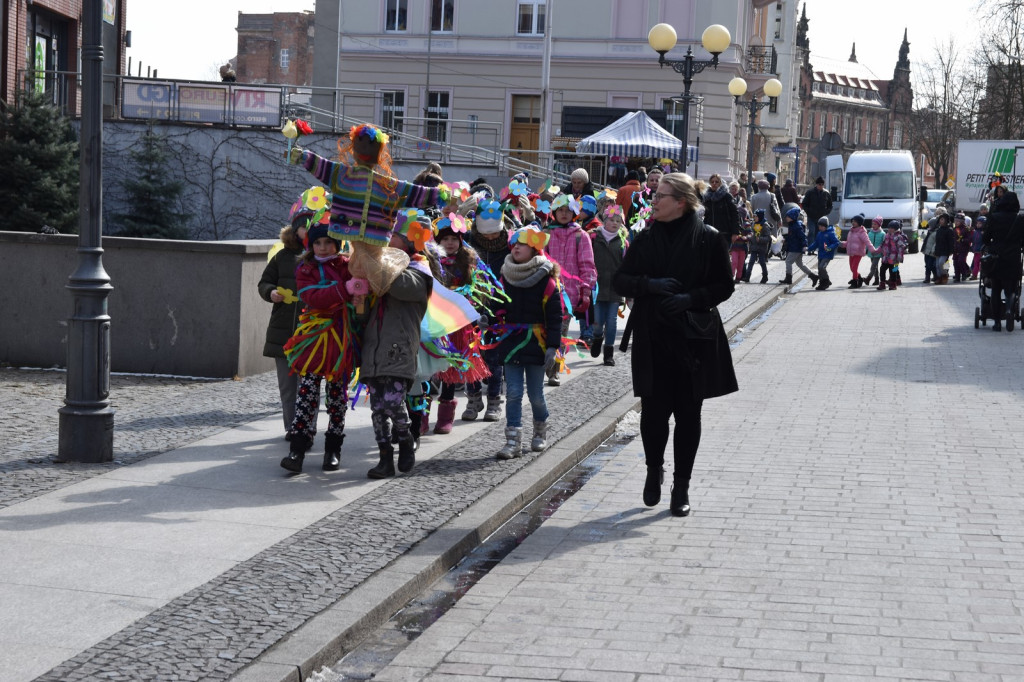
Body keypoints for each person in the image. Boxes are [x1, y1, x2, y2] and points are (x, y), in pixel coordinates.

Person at [612, 172, 738, 517]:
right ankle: (655, 469)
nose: (652, 200)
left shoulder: (708, 238)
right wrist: (650, 285)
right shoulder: (645, 236)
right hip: (653, 337)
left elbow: (724, 287)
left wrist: (689, 298)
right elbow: (619, 278)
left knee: (687, 415)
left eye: (660, 196)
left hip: (693, 339)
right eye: (654, 195)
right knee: (653, 415)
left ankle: (681, 486)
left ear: (680, 202)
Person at [279, 218, 363, 473]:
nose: (323, 247)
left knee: (337, 397)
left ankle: (333, 449)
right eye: (318, 242)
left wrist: (358, 291)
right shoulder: (305, 268)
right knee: (307, 394)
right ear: (311, 244)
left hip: (341, 339)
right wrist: (343, 290)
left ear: (338, 244)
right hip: (314, 340)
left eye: (329, 242)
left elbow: (358, 296)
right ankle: (297, 449)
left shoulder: (349, 266)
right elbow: (312, 296)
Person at [360, 218, 434, 479]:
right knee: (378, 409)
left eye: (393, 235)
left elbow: (398, 286)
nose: (387, 239)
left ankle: (403, 438)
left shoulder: (419, 270)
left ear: (411, 240)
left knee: (393, 401)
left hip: (399, 346)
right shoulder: (380, 268)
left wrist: (369, 258)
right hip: (373, 346)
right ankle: (384, 459)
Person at [493, 225, 562, 459]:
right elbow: (498, 305)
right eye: (514, 244)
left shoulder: (547, 279)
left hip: (537, 342)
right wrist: (489, 318)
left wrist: (553, 346)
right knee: (512, 392)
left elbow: (555, 317)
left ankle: (540, 431)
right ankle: (513, 441)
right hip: (512, 341)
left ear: (534, 249)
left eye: (521, 244)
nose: (516, 248)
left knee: (535, 395)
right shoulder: (506, 274)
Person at [258, 190, 315, 440]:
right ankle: (291, 429)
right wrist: (270, 292)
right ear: (295, 230)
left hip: (312, 333)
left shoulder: (320, 258)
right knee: (287, 388)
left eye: (312, 227)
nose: (307, 231)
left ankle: (307, 428)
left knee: (308, 386)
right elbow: (264, 283)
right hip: (282, 332)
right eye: (304, 227)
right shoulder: (282, 257)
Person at [431, 213, 491, 434]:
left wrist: (469, 305)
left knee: (450, 369)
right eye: (445, 239)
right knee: (429, 368)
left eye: (453, 239)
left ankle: (445, 414)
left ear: (460, 241)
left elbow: (480, 292)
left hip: (458, 323)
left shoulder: (468, 262)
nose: (449, 243)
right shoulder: (431, 261)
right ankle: (420, 413)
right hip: (434, 321)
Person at [464, 197, 512, 421]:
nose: (491, 238)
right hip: (470, 308)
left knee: (494, 357)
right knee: (470, 355)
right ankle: (473, 399)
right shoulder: (469, 243)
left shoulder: (509, 245)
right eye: (486, 234)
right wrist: (460, 214)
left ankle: (494, 400)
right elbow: (447, 239)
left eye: (494, 233)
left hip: (497, 309)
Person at [544, 194, 597, 386]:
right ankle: (543, 364)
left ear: (575, 212)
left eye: (568, 210)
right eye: (560, 210)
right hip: (546, 293)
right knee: (544, 332)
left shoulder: (580, 236)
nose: (564, 214)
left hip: (568, 296)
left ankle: (554, 370)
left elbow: (587, 265)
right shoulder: (546, 234)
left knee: (560, 334)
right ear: (554, 212)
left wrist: (586, 289)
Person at [589, 205, 628, 365]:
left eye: (618, 221)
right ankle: (598, 337)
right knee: (597, 321)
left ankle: (609, 353)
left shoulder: (623, 242)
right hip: (597, 286)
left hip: (614, 287)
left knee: (611, 321)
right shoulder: (593, 238)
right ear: (604, 220)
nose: (614, 223)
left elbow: (626, 265)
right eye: (611, 220)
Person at [982, 190, 1024, 331]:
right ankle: (1009, 311)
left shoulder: (994, 217)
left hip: (996, 257)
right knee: (1010, 290)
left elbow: (986, 238)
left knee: (995, 290)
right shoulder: (1020, 218)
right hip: (1013, 258)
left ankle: (997, 323)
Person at [779, 206, 816, 286]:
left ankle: (788, 278)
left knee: (788, 261)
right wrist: (786, 240)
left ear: (792, 217)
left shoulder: (796, 226)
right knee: (800, 264)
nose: (786, 218)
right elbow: (792, 236)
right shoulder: (793, 225)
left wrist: (804, 245)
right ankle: (813, 276)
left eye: (788, 217)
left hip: (796, 248)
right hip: (796, 247)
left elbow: (802, 237)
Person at [702, 173, 741, 246]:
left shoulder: (726, 196)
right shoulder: (707, 197)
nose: (714, 183)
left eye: (716, 182)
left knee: (722, 256)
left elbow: (735, 214)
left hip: (724, 233)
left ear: (720, 183)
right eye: (712, 182)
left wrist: (735, 232)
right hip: (709, 232)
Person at [840, 214, 873, 288]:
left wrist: (872, 249)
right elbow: (848, 242)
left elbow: (867, 241)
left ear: (859, 223)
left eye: (855, 221)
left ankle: (855, 282)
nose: (853, 222)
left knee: (854, 268)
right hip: (851, 253)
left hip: (858, 253)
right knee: (852, 268)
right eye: (853, 221)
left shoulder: (862, 232)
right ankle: (859, 278)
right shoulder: (851, 231)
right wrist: (842, 244)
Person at [807, 216, 840, 290]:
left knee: (822, 267)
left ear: (825, 226)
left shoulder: (830, 233)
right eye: (819, 226)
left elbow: (836, 242)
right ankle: (822, 283)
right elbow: (816, 243)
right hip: (821, 254)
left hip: (827, 255)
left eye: (822, 226)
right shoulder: (819, 234)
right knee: (819, 268)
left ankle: (826, 281)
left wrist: (830, 248)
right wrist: (809, 248)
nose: (820, 227)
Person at [742, 208, 772, 284]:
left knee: (762, 262)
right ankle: (747, 277)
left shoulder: (765, 225)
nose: (754, 218)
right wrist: (749, 237)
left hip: (762, 248)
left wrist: (760, 239)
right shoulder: (753, 224)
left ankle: (765, 276)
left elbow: (768, 237)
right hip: (754, 247)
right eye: (754, 216)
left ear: (760, 217)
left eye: (756, 216)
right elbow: (751, 233)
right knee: (751, 261)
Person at [877, 220, 909, 291]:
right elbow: (883, 244)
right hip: (886, 258)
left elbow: (901, 247)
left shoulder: (899, 237)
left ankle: (893, 283)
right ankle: (882, 283)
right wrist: (878, 250)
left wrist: (900, 257)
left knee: (893, 271)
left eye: (892, 228)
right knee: (882, 269)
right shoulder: (887, 235)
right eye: (889, 228)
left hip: (894, 259)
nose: (890, 229)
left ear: (896, 229)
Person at [933, 213, 955, 284]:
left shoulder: (949, 230)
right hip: (938, 250)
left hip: (945, 250)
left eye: (942, 219)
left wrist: (951, 250)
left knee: (942, 263)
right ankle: (939, 278)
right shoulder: (939, 230)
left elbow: (951, 241)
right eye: (940, 219)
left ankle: (945, 275)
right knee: (937, 265)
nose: (940, 221)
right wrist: (935, 250)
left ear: (946, 221)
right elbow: (937, 241)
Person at [864, 215, 885, 286]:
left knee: (873, 266)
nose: (873, 225)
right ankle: (876, 280)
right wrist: (866, 250)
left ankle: (868, 278)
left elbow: (883, 243)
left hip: (878, 253)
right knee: (875, 267)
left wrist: (882, 251)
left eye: (875, 224)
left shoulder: (882, 234)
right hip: (871, 252)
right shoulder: (870, 233)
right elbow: (867, 242)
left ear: (879, 225)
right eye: (872, 224)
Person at [952, 212, 972, 282]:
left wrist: (963, 240)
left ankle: (964, 274)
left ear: (962, 222)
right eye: (955, 221)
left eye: (958, 221)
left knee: (961, 261)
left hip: (963, 249)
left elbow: (969, 238)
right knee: (955, 263)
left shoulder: (966, 229)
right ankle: (957, 277)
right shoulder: (954, 229)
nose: (956, 222)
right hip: (955, 249)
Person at [970, 215, 986, 281]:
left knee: (980, 263)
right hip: (976, 250)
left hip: (981, 251)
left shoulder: (983, 232)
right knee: (976, 263)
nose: (978, 225)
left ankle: (978, 275)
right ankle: (975, 274)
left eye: (980, 223)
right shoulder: (975, 231)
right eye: (977, 223)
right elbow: (973, 240)